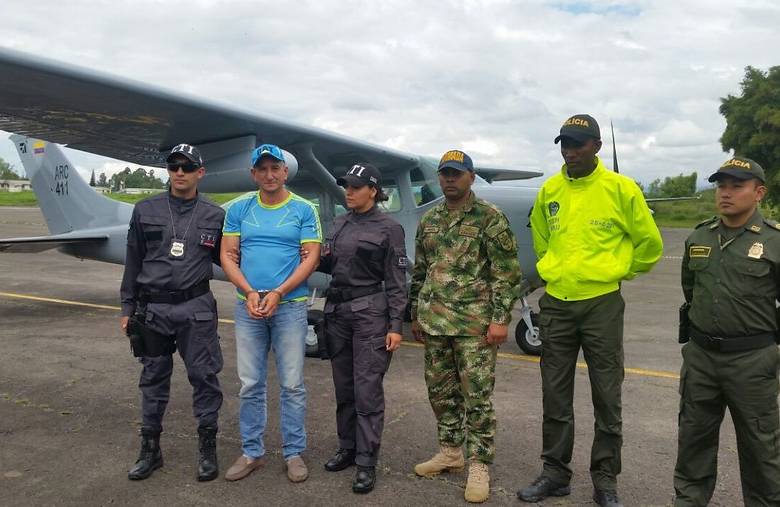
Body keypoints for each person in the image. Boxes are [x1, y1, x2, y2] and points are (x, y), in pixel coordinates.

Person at [518, 115, 663, 507]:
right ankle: (555, 473)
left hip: (602, 305)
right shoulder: (550, 189)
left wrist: (616, 272)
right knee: (555, 395)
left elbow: (650, 244)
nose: (569, 150)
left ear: (596, 146)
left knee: (607, 396)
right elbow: (542, 240)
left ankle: (605, 479)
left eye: (578, 143)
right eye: (564, 142)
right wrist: (555, 272)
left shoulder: (621, 189)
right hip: (558, 304)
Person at [410, 149, 522, 503]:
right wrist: (415, 313)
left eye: (456, 173)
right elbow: (421, 270)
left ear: (471, 177)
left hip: (474, 325)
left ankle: (479, 464)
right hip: (435, 323)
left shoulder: (490, 217)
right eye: (445, 173)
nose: (449, 179)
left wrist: (500, 319)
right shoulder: (430, 219)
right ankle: (450, 452)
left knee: (477, 398)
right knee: (441, 394)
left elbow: (506, 272)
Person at [674, 157, 780, 506]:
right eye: (722, 185)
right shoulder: (700, 235)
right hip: (702, 358)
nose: (726, 193)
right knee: (693, 442)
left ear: (759, 192)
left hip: (752, 361)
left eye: (737, 185)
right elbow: (691, 291)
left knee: (761, 449)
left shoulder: (774, 241)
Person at [119, 143, 225, 482]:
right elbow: (133, 260)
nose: (179, 172)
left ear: (200, 172)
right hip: (153, 309)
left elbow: (233, 259)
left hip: (197, 309)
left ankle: (208, 449)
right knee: (152, 378)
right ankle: (151, 450)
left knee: (205, 377)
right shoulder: (144, 209)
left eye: (187, 166)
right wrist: (127, 306)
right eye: (173, 165)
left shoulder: (215, 214)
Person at [219, 144, 321, 484]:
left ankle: (294, 453)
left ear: (285, 172)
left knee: (292, 384)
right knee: (250, 384)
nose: (269, 174)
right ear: (253, 174)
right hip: (248, 306)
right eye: (262, 169)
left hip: (290, 307)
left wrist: (279, 292)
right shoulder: (239, 209)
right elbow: (228, 255)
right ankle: (252, 451)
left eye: (275, 168)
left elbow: (311, 258)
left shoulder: (305, 210)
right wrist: (249, 292)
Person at [317, 163, 408, 494]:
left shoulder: (389, 228)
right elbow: (329, 264)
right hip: (338, 311)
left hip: (370, 313)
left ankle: (367, 461)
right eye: (346, 186)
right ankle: (347, 447)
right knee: (343, 388)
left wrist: (396, 325)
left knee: (367, 390)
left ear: (373, 190)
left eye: (356, 186)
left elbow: (398, 282)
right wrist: (313, 255)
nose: (349, 191)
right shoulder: (339, 223)